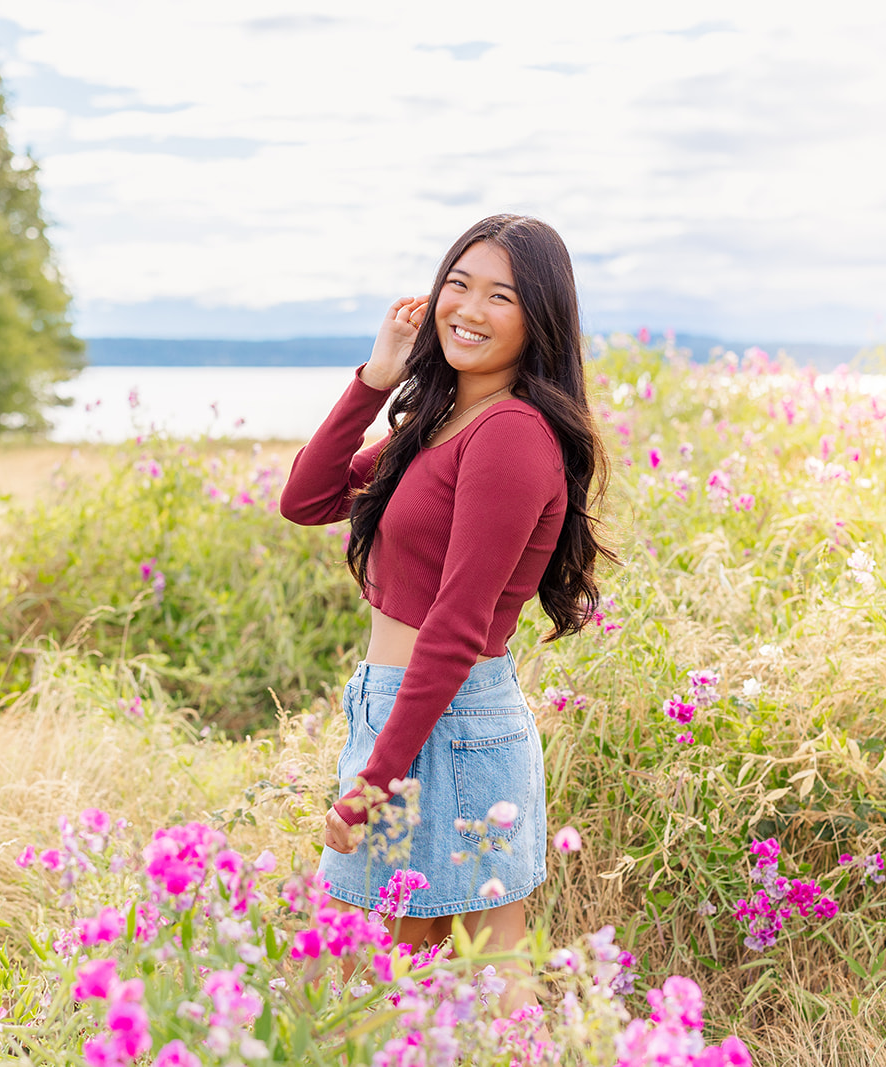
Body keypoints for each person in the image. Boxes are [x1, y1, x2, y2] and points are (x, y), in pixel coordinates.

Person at [278, 214, 613, 975]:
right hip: (407, 710)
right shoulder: (440, 421)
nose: (468, 308)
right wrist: (375, 377)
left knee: (464, 974)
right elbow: (306, 498)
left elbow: (458, 625)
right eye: (457, 285)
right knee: (415, 982)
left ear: (539, 322)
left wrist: (374, 782)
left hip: (448, 720)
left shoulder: (510, 434)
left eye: (501, 296)